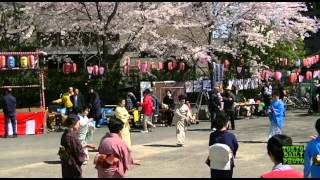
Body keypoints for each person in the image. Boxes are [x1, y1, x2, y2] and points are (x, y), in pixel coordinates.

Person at [58, 114, 95, 178]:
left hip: (66, 164)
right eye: (78, 123)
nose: (79, 125)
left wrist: (86, 145)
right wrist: (82, 158)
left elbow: (72, 147)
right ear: (73, 124)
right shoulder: (72, 136)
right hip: (73, 165)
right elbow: (78, 152)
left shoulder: (65, 134)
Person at [206, 112, 239, 178]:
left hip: (214, 165)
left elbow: (211, 146)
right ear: (227, 123)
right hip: (227, 165)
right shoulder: (231, 136)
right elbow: (235, 147)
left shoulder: (212, 135)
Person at [114, 98, 141, 165]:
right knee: (124, 144)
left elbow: (126, 115)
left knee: (128, 144)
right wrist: (128, 117)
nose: (124, 103)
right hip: (121, 128)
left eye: (124, 102)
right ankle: (125, 160)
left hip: (126, 128)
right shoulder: (117, 109)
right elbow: (121, 118)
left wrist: (129, 116)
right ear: (119, 102)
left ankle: (130, 159)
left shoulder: (123, 108)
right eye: (123, 102)